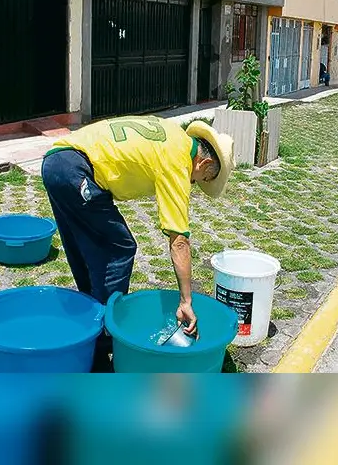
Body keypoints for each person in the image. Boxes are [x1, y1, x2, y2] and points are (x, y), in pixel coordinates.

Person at [41, 116, 235, 366]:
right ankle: (104, 336)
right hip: (77, 170)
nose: (194, 183)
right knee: (119, 248)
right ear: (204, 161)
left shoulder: (171, 133)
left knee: (85, 249)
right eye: (202, 178)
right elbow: (179, 241)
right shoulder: (178, 160)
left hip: (56, 162)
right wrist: (186, 300)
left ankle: (89, 332)